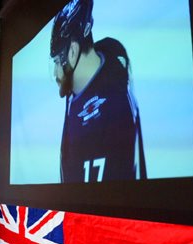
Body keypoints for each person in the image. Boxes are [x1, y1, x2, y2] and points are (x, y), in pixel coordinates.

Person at [50, 0, 146, 183]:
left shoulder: (111, 109)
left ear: (72, 52)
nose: (55, 73)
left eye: (56, 62)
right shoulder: (104, 63)